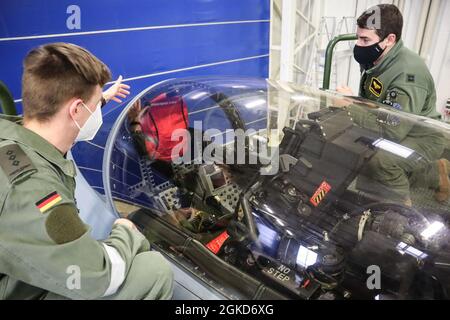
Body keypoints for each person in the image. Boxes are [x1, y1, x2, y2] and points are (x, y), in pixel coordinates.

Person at [0, 43, 173, 300]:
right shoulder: (31, 188)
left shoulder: (14, 139)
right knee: (153, 269)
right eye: (93, 104)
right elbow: (97, 277)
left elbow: (66, 118)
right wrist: (125, 231)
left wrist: (100, 98)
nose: (96, 111)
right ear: (76, 109)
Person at [336, 4, 449, 205]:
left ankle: (400, 210)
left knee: (382, 161)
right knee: (359, 147)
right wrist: (353, 101)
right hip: (400, 124)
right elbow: (377, 102)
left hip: (423, 134)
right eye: (358, 38)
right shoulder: (379, 58)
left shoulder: (407, 74)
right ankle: (435, 172)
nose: (359, 45)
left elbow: (392, 131)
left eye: (365, 40)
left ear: (389, 40)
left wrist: (349, 107)